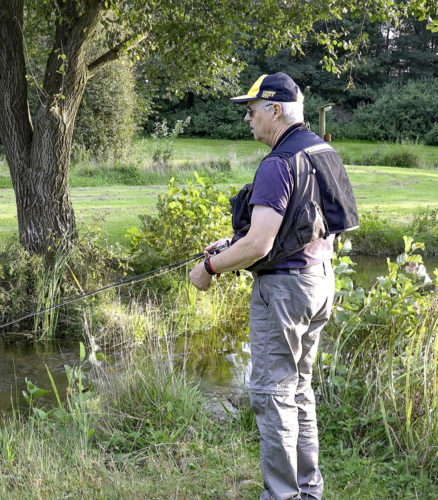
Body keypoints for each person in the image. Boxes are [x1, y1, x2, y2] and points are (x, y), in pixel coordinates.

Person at [189, 72, 358, 500]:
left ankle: (283, 496)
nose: (248, 120)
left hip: (283, 293)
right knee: (299, 390)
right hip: (318, 282)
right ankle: (307, 491)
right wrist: (233, 243)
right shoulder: (319, 151)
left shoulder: (277, 163)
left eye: (251, 111)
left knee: (272, 394)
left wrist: (210, 267)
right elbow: (304, 226)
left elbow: (261, 243)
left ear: (275, 110)